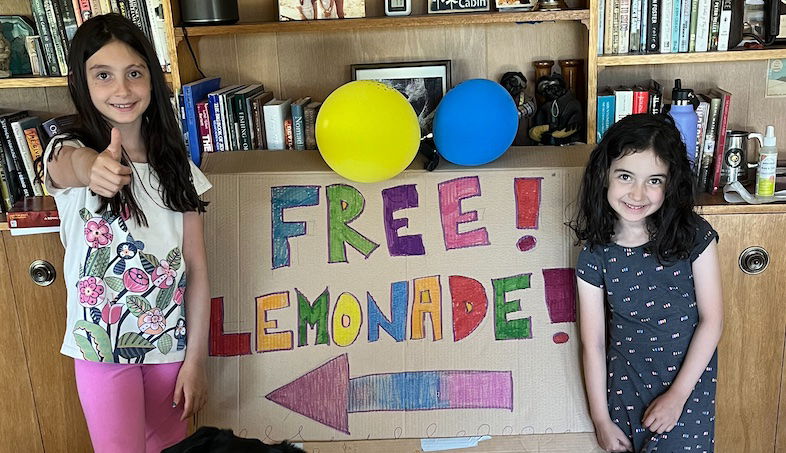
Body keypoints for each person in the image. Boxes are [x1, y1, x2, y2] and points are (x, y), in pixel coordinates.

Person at [43, 14, 212, 453]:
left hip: (170, 350)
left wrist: (196, 359)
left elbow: (195, 269)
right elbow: (71, 165)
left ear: (152, 80)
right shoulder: (68, 151)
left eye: (134, 73)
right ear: (83, 83)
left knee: (170, 448)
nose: (122, 89)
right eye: (104, 75)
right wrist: (92, 168)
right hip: (100, 350)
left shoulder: (179, 172)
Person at [569, 114, 723, 452]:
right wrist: (600, 420)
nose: (638, 194)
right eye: (626, 176)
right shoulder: (595, 254)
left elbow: (712, 322)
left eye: (654, 180)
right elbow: (592, 343)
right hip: (625, 394)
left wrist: (678, 395)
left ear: (670, 184)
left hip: (687, 395)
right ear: (604, 176)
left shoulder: (694, 235)